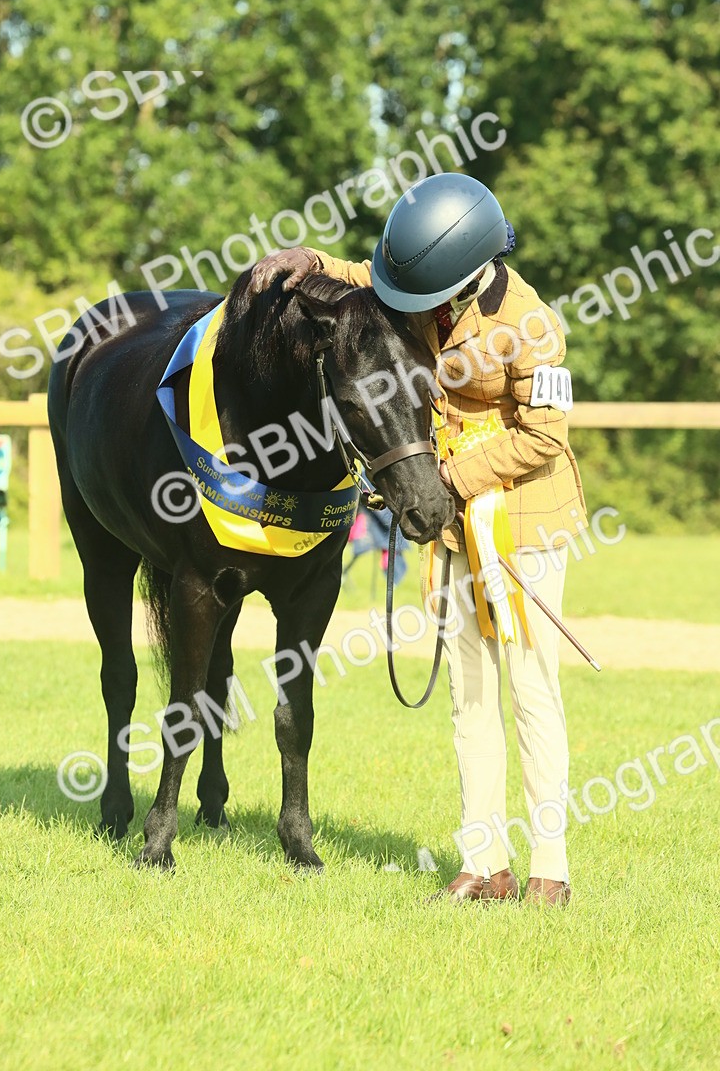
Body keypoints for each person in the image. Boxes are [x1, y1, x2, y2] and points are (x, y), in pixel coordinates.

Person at [250, 172, 588, 907]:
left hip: (523, 525)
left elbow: (545, 437)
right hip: (453, 523)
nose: (416, 312)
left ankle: (550, 871)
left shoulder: (532, 326)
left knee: (532, 693)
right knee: (468, 696)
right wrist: (310, 259)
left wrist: (449, 476)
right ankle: (483, 863)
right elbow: (370, 277)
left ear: (469, 281)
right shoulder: (425, 285)